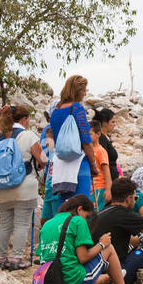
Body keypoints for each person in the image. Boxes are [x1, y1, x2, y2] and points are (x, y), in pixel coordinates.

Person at [37, 194, 127, 284]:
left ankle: (109, 277)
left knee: (76, 267)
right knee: (109, 248)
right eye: (87, 216)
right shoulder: (78, 220)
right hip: (72, 282)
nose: (86, 220)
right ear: (79, 209)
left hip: (50, 282)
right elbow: (83, 257)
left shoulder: (48, 223)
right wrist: (102, 244)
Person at [0, 104, 45, 270]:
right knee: (21, 224)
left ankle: (1, 258)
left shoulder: (0, 136)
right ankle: (16, 259)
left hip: (2, 187)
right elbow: (42, 159)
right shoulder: (28, 135)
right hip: (24, 186)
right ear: (24, 119)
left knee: (5, 224)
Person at [48, 75, 101, 204]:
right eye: (83, 90)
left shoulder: (55, 112)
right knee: (81, 208)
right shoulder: (77, 108)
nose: (85, 94)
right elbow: (86, 141)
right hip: (78, 164)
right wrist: (93, 166)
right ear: (77, 91)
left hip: (61, 167)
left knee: (65, 209)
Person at [93, 107, 122, 180]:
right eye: (112, 122)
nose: (114, 124)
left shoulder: (105, 138)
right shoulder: (101, 139)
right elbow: (103, 162)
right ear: (105, 123)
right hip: (106, 181)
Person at [89, 120, 112, 210]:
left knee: (94, 212)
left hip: (99, 187)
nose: (87, 136)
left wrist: (108, 189)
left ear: (98, 134)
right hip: (90, 188)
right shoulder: (88, 150)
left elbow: (107, 172)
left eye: (90, 134)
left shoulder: (100, 151)